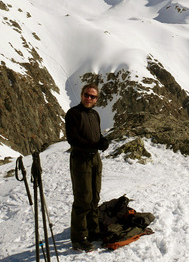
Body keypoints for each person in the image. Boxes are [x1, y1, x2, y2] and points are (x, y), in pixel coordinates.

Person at [65, 83, 110, 252]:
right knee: (83, 199)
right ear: (82, 95)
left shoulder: (95, 115)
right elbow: (73, 139)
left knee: (94, 197)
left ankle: (93, 231)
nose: (89, 98)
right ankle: (78, 238)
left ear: (97, 99)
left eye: (92, 96)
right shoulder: (73, 114)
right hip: (80, 160)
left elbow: (96, 134)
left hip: (95, 160)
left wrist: (102, 141)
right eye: (86, 95)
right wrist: (95, 145)